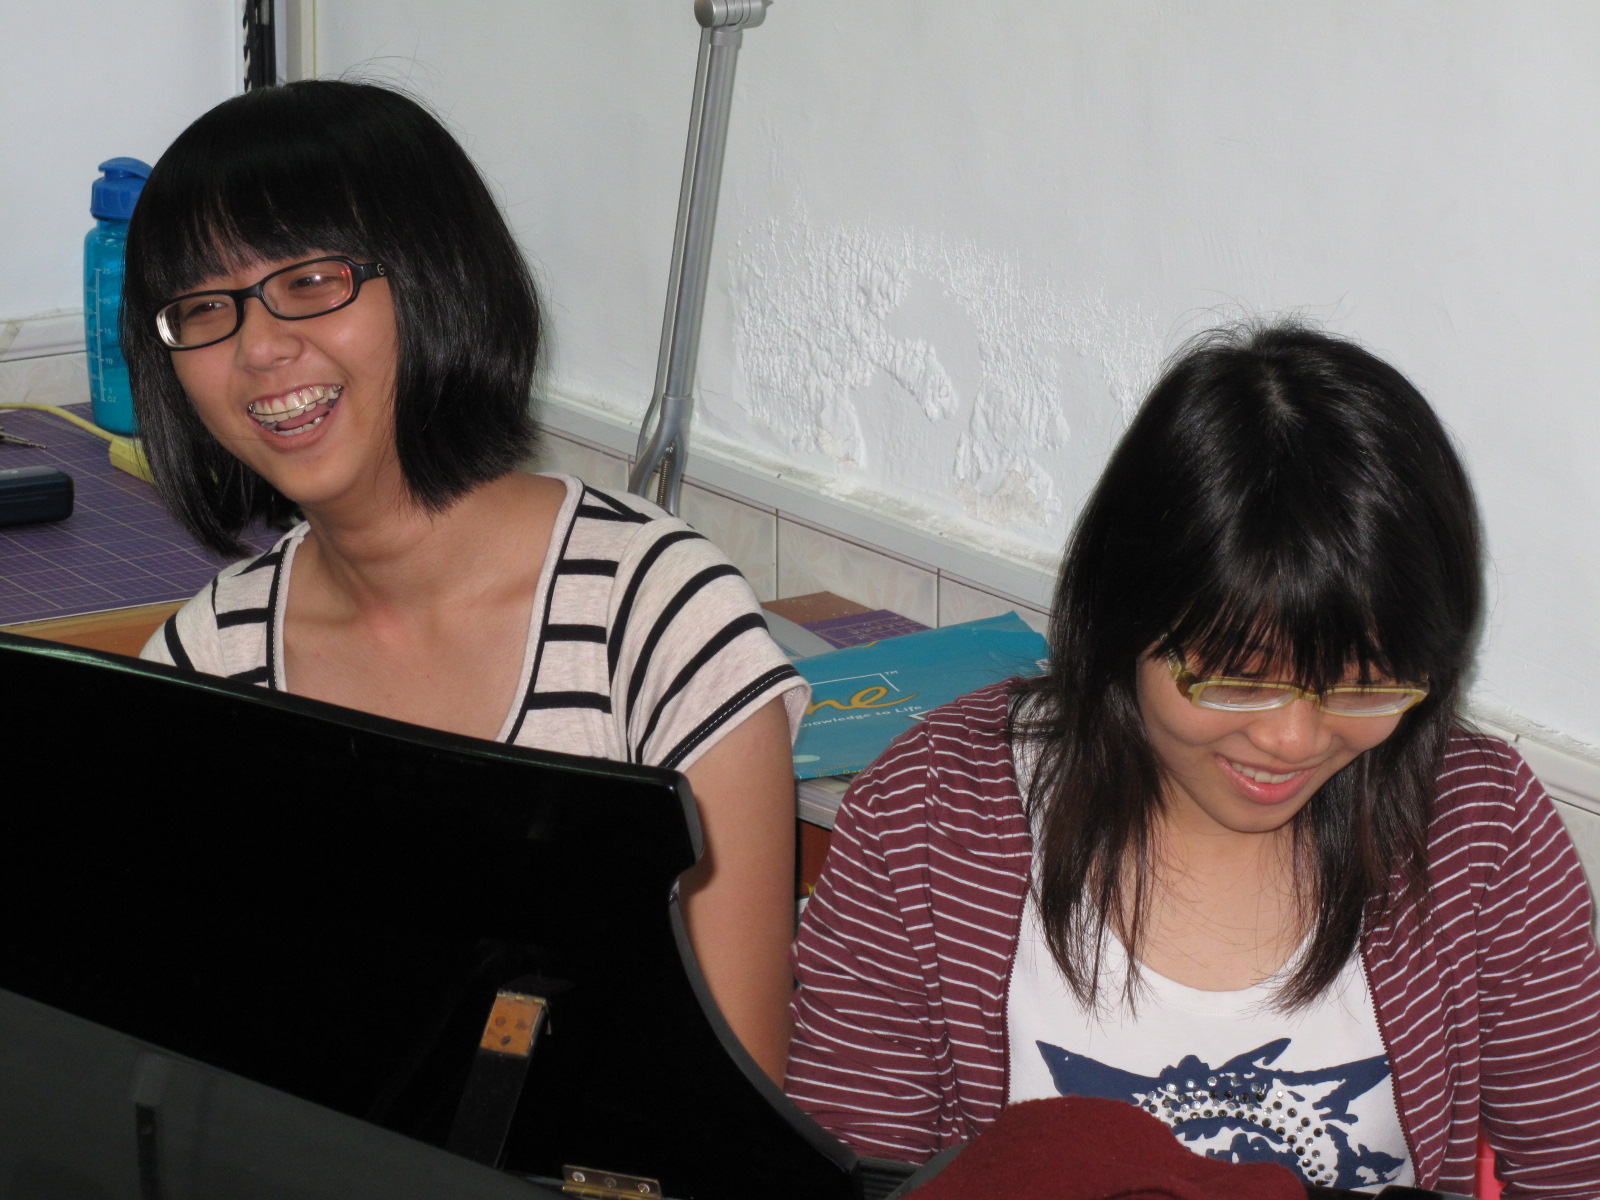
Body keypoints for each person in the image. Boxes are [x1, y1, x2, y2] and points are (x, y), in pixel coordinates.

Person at [786, 323, 1600, 1195]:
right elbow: (858, 1176)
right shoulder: (928, 815)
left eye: (1365, 686)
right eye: (1238, 680)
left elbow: (1574, 1172)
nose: (1292, 739)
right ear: (1124, 617)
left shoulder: (1480, 831)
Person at [120, 80, 805, 1084]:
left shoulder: (656, 620)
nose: (259, 347)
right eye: (204, 307)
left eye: (312, 280)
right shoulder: (203, 664)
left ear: (439, 278)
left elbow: (728, 1100)